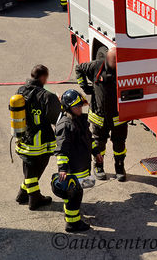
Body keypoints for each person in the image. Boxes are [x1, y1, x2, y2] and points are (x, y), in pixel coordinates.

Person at [76, 48, 128, 182]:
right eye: (115, 61)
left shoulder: (125, 69)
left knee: (119, 143)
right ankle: (99, 166)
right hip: (100, 116)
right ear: (108, 59)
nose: (117, 64)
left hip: (119, 117)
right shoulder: (96, 66)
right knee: (99, 143)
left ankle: (120, 167)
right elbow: (79, 69)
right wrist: (85, 87)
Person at [15, 65, 61, 211]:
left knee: (29, 169)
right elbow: (55, 118)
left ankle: (23, 194)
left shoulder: (21, 91)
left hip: (24, 138)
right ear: (43, 77)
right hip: (41, 141)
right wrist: (58, 102)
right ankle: (34, 199)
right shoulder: (47, 96)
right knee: (35, 169)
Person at [53, 89, 100, 232]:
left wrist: (96, 152)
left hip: (82, 166)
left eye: (80, 106)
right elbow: (62, 150)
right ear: (68, 108)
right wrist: (62, 169)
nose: (80, 108)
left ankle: (70, 214)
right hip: (72, 169)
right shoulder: (65, 125)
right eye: (76, 106)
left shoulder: (79, 120)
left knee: (75, 193)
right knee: (75, 195)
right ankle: (72, 224)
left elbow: (88, 139)